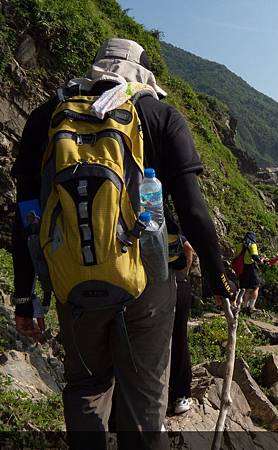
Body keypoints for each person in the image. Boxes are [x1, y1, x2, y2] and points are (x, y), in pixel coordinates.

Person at [11, 38, 235, 450]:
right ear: (143, 72)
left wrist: (26, 298)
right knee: (145, 394)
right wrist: (218, 276)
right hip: (147, 281)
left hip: (71, 276)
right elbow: (193, 211)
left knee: (85, 386)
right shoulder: (160, 115)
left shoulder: (48, 116)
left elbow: (26, 213)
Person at [169, 239, 194, 415]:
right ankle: (181, 395)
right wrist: (183, 274)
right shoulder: (168, 216)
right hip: (176, 282)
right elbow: (188, 248)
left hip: (144, 285)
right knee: (179, 338)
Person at [235, 231, 264, 313]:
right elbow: (255, 256)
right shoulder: (252, 245)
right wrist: (260, 260)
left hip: (241, 269)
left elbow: (235, 256)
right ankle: (251, 307)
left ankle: (244, 306)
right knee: (256, 287)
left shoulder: (239, 245)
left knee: (246, 288)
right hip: (250, 268)